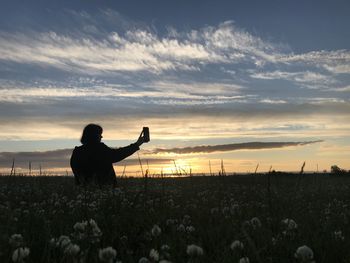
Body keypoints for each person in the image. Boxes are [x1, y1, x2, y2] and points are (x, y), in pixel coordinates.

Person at [70, 124, 146, 186]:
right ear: (95, 136)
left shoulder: (77, 152)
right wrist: (137, 144)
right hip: (103, 189)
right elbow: (117, 154)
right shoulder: (99, 149)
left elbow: (76, 171)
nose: (101, 137)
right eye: (100, 134)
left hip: (83, 191)